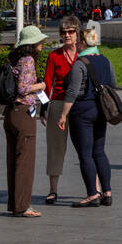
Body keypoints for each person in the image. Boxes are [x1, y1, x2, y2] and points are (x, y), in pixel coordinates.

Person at [58, 23, 115, 208]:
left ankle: (92, 194)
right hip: (101, 110)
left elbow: (72, 92)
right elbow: (112, 83)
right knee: (99, 151)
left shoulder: (80, 64)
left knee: (85, 154)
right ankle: (107, 192)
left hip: (82, 111)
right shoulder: (106, 60)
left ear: (83, 43)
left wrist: (63, 115)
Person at [4, 26, 49, 218]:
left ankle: (15, 204)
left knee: (13, 160)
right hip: (24, 113)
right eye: (39, 41)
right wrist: (41, 85)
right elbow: (24, 88)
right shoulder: (28, 60)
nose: (42, 43)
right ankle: (22, 206)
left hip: (11, 113)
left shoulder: (16, 59)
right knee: (25, 162)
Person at [41, 15, 80, 204]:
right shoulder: (54, 56)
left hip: (80, 106)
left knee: (86, 148)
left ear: (77, 33)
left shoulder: (85, 54)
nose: (67, 35)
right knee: (55, 148)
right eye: (63, 32)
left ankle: (96, 187)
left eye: (71, 32)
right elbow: (47, 84)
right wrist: (43, 108)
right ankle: (53, 190)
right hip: (57, 104)